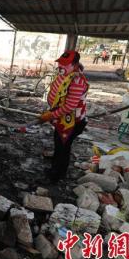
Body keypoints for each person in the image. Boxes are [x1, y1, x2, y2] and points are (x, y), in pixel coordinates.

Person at [39, 50, 89, 183]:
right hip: (62, 119)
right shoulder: (65, 74)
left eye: (65, 64)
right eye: (60, 63)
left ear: (74, 64)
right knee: (58, 143)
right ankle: (56, 168)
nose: (61, 66)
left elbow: (69, 106)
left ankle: (56, 176)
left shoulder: (77, 81)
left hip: (73, 122)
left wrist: (50, 115)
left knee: (63, 148)